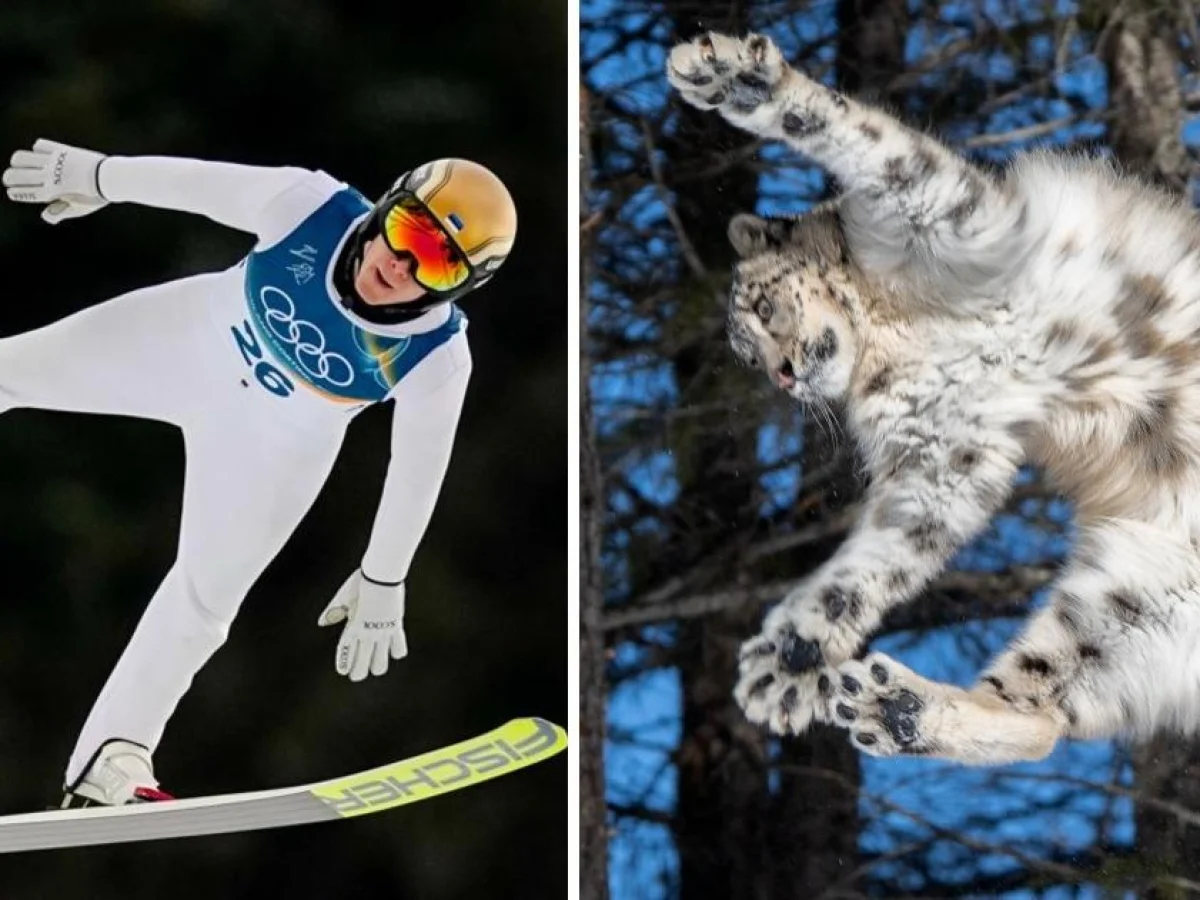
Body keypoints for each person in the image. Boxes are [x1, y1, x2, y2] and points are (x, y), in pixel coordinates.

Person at [0, 139, 517, 807]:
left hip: (274, 444)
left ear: (460, 287)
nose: (400, 264)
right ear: (386, 208)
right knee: (9, 370)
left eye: (438, 266)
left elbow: (418, 467)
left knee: (204, 601)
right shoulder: (312, 208)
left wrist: (385, 573)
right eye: (407, 231)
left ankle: (113, 759)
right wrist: (101, 177)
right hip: (184, 340)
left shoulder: (437, 358)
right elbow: (197, 184)